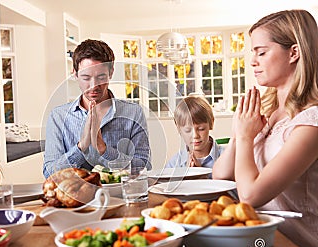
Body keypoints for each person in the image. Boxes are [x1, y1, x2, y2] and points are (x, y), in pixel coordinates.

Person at [212, 10, 318, 247]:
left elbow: (250, 196)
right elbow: (221, 174)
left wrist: (247, 137)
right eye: (253, 53)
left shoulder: (311, 123)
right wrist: (239, 132)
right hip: (264, 242)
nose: (252, 61)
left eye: (262, 52)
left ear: (294, 53)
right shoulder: (268, 111)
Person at [43, 39, 151, 177]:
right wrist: (81, 147)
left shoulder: (133, 112)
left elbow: (144, 165)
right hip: (77, 196)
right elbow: (49, 174)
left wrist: (104, 150)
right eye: (86, 78)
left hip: (121, 195)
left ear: (111, 72)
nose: (94, 86)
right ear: (75, 74)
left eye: (101, 77)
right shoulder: (58, 116)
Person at [165, 95, 224, 173]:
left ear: (211, 124)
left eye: (201, 129)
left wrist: (201, 175)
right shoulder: (174, 163)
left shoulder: (227, 157)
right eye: (188, 130)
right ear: (179, 130)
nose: (195, 136)